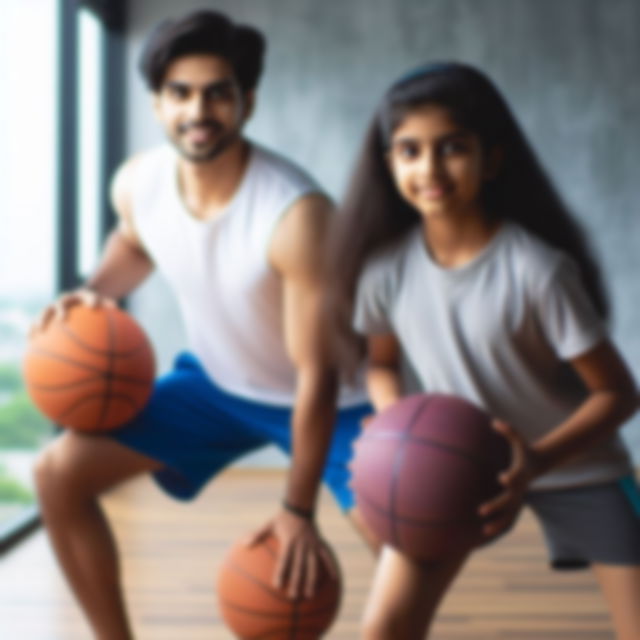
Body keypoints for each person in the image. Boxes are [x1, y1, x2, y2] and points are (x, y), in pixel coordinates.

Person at [32, 10, 371, 640]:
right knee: (57, 474)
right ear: (158, 104)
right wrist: (90, 293)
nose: (199, 110)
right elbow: (136, 242)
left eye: (218, 92)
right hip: (217, 387)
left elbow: (317, 376)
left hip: (331, 400)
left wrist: (298, 509)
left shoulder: (296, 216)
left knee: (408, 536)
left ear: (248, 102)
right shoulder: (139, 183)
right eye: (181, 93)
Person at [329, 61, 640, 639]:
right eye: (410, 151)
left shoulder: (538, 272)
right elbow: (383, 364)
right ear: (388, 161)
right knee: (382, 629)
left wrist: (537, 463)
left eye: (452, 147)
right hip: (456, 464)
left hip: (575, 465)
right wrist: (391, 425)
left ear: (491, 158)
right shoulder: (384, 270)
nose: (430, 168)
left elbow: (618, 394)